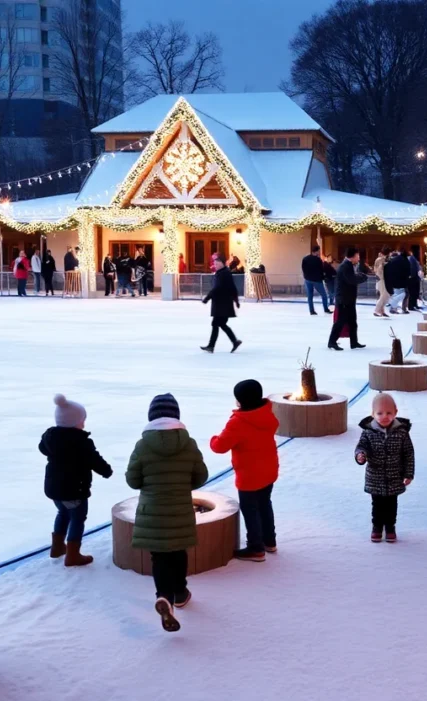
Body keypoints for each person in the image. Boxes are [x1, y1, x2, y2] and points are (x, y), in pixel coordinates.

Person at [126, 393, 209, 633]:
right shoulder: (188, 442)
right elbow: (201, 476)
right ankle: (180, 592)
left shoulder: (142, 445)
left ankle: (164, 596)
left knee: (160, 556)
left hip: (152, 510)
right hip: (180, 509)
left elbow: (133, 480)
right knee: (178, 551)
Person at [39, 394, 113, 567]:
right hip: (73, 489)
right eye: (82, 420)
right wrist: (106, 471)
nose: (84, 423)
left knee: (63, 513)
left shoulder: (50, 438)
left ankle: (57, 547)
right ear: (75, 422)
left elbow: (42, 448)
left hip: (54, 489)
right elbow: (94, 460)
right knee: (78, 518)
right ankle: (72, 555)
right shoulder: (81, 442)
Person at [209, 379, 279, 562]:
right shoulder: (266, 413)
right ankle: (269, 541)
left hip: (249, 475)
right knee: (265, 504)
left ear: (241, 401)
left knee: (250, 510)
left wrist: (213, 438)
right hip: (269, 469)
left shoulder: (239, 422)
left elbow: (219, 446)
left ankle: (256, 548)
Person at [355, 392, 415, 543]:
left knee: (391, 504)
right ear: (373, 414)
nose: (384, 416)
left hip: (395, 476)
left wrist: (408, 473)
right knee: (377, 504)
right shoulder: (368, 431)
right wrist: (360, 455)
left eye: (389, 412)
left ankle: (390, 527)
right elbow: (361, 446)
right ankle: (377, 527)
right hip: (375, 476)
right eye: (380, 413)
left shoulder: (401, 432)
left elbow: (408, 453)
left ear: (396, 412)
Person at [328, 247, 368, 351]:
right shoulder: (345, 266)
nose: (359, 258)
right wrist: (363, 277)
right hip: (344, 298)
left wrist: (360, 275)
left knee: (352, 322)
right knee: (340, 321)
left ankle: (354, 342)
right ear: (353, 256)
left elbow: (352, 277)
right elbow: (351, 280)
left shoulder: (349, 265)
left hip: (348, 298)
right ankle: (332, 342)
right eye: (358, 256)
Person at [201, 254, 241, 353]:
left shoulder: (223, 274)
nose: (216, 265)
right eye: (215, 263)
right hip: (222, 303)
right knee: (220, 324)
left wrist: (207, 297)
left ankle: (212, 346)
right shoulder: (222, 273)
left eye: (218, 263)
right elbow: (232, 288)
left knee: (217, 323)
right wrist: (236, 301)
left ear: (223, 264)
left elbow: (217, 288)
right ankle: (234, 341)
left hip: (222, 304)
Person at [301, 245, 330, 316]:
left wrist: (305, 276)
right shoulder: (318, 260)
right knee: (324, 295)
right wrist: (323, 278)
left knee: (310, 296)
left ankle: (312, 311)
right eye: (319, 251)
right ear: (317, 251)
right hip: (317, 280)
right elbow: (321, 270)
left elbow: (303, 268)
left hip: (308, 279)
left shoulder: (305, 259)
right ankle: (326, 309)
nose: (319, 252)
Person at [384, 248, 409, 314]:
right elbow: (408, 271)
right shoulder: (405, 260)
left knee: (396, 294)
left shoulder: (394, 260)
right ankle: (393, 306)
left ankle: (393, 308)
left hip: (394, 280)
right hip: (402, 281)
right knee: (402, 294)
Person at [373, 247, 392, 317]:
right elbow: (378, 269)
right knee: (384, 295)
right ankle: (376, 310)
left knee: (385, 295)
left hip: (382, 279)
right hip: (381, 279)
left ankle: (382, 310)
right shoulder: (381, 260)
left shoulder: (383, 259)